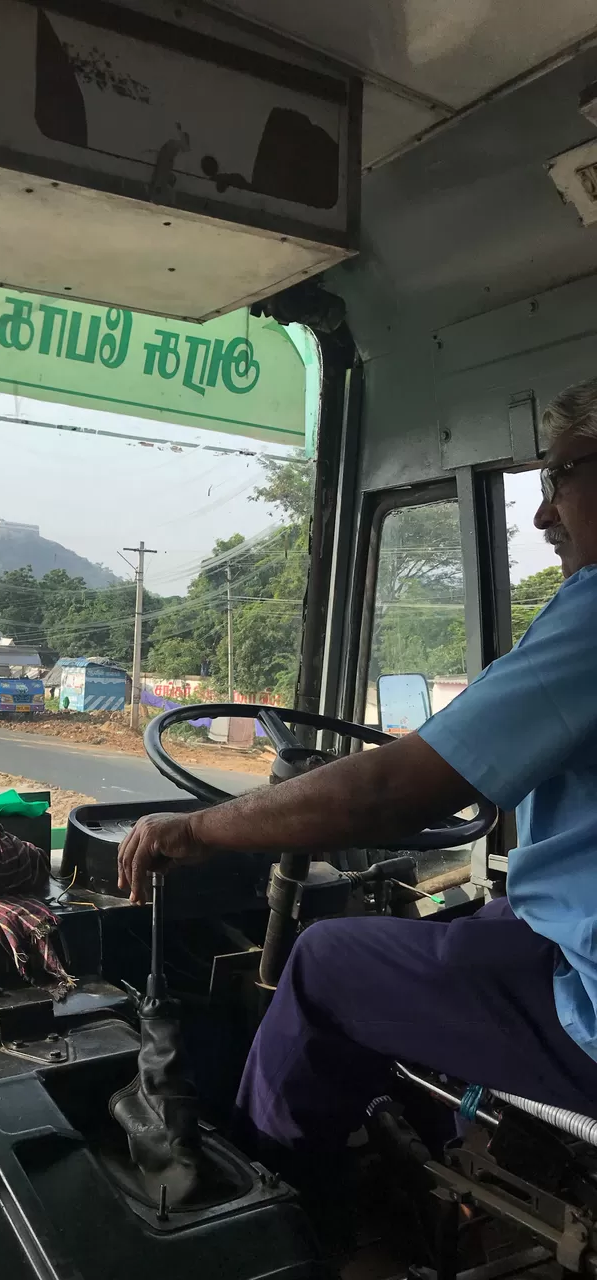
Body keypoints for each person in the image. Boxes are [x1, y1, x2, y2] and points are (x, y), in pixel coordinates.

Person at [118, 374, 597, 1157]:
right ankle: (442, 1157)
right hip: (565, 930)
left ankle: (274, 1195)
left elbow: (385, 791)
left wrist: (200, 830)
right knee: (479, 925)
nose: (545, 512)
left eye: (561, 477)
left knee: (324, 963)